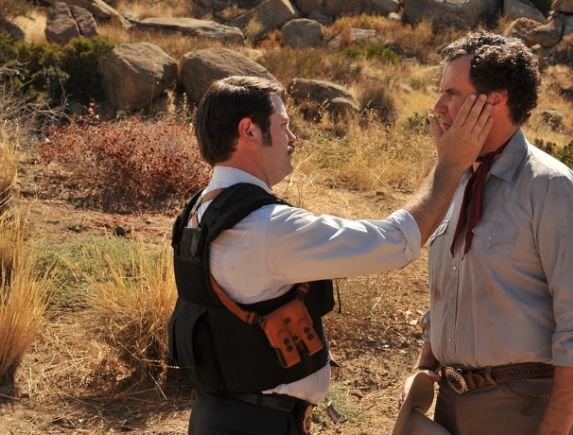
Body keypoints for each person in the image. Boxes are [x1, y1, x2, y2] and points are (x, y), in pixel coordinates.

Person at [168, 75, 493, 435]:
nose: (293, 138)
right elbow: (395, 243)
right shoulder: (267, 227)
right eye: (283, 125)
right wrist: (450, 164)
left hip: (223, 417)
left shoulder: (198, 212)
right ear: (249, 131)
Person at [400, 31, 573, 435]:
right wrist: (423, 370)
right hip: (451, 404)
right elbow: (449, 291)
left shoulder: (551, 187)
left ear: (493, 101)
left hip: (523, 409)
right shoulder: (454, 179)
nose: (438, 106)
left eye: (451, 93)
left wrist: (554, 430)